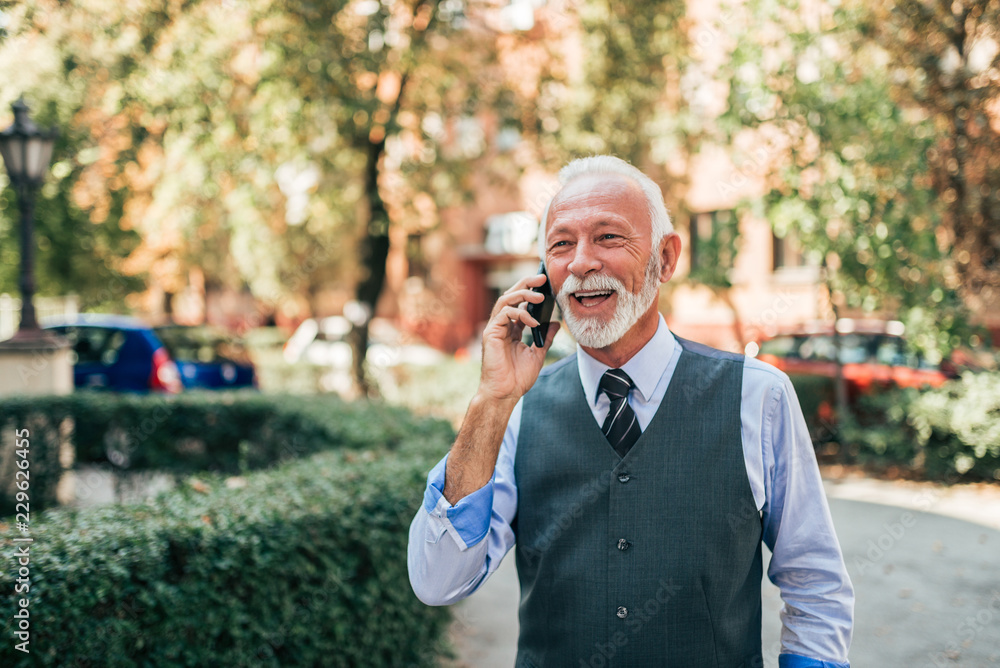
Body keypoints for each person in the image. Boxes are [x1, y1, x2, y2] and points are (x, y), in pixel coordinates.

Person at [407, 155, 854, 667]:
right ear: (543, 277)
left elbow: (814, 580)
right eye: (560, 244)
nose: (580, 263)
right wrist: (491, 400)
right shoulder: (515, 412)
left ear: (664, 259)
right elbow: (437, 581)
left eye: (608, 237)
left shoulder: (758, 396)